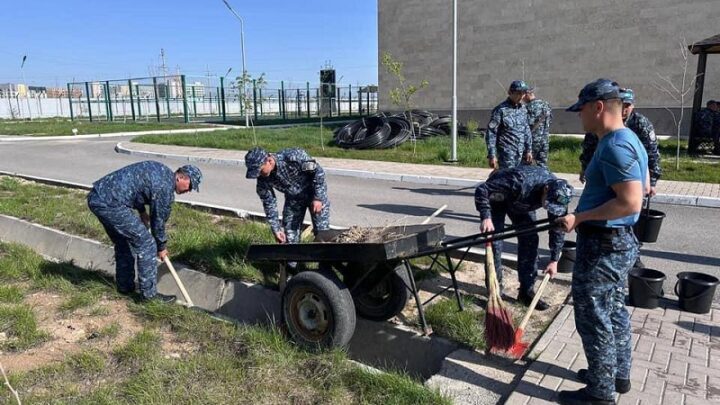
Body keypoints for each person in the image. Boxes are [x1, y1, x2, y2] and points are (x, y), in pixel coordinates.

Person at [557, 79, 649, 405]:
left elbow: (631, 202)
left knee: (593, 318)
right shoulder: (629, 138)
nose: (579, 115)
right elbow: (645, 183)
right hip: (616, 243)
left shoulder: (614, 145)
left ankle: (599, 394)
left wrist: (579, 218)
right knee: (613, 311)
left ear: (598, 107)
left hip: (603, 246)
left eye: (581, 108)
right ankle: (614, 376)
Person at [87, 161, 203, 303]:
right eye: (190, 186)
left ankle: (125, 287)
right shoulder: (165, 189)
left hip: (97, 196)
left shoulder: (162, 171)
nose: (189, 190)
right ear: (181, 178)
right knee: (147, 244)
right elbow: (158, 222)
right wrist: (161, 247)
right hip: (111, 204)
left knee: (124, 241)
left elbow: (137, 186)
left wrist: (142, 211)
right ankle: (149, 297)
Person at [474, 165, 573, 311]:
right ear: (545, 189)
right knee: (495, 243)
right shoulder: (519, 181)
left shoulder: (559, 197)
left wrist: (554, 259)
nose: (549, 209)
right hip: (498, 198)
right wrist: (486, 217)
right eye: (548, 204)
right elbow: (482, 190)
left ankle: (526, 292)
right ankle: (495, 292)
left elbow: (557, 229)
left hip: (521, 204)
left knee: (530, 239)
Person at [579, 88, 661, 197]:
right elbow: (589, 148)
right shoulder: (602, 123)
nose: (625, 109)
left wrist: (652, 182)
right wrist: (586, 169)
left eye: (628, 106)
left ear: (633, 106)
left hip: (633, 175)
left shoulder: (641, 124)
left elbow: (652, 153)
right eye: (623, 105)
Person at [245, 146, 330, 246]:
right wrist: (276, 229)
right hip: (294, 200)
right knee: (290, 236)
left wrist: (318, 198)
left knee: (322, 234)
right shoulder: (263, 178)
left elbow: (318, 172)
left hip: (314, 194)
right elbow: (269, 203)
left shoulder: (293, 157)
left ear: (269, 161)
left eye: (260, 170)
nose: (258, 175)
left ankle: (324, 260)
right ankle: (293, 260)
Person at [485, 80, 533, 170]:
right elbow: (491, 133)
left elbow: (527, 130)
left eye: (523, 93)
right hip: (507, 155)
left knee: (521, 179)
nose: (521, 96)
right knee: (507, 180)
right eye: (518, 93)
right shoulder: (500, 110)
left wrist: (529, 150)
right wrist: (492, 155)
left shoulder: (523, 109)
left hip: (522, 154)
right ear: (510, 92)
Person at [525, 88, 553, 167]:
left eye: (523, 95)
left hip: (532, 141)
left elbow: (527, 125)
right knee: (542, 164)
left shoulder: (528, 107)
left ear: (528, 94)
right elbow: (550, 120)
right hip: (544, 140)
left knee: (527, 165)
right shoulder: (546, 105)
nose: (522, 98)